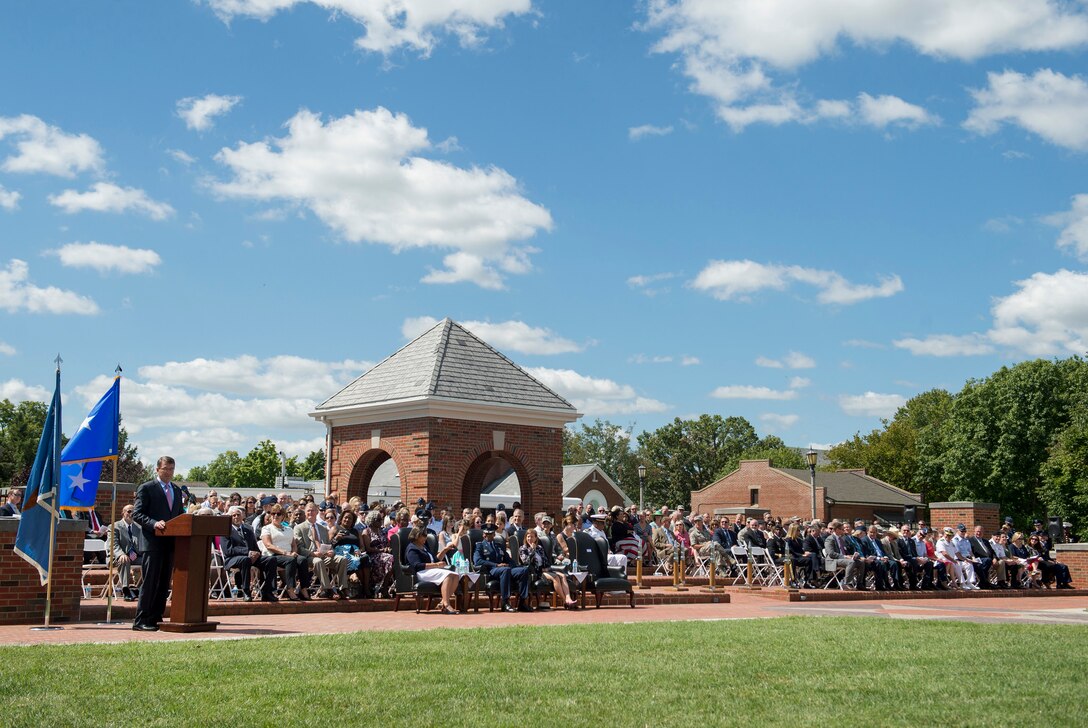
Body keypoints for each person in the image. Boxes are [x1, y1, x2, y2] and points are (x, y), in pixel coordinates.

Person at [130, 456, 185, 631]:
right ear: (157, 469)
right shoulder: (147, 488)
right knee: (150, 582)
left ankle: (155, 617)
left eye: (171, 469)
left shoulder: (176, 490)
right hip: (152, 542)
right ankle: (141, 620)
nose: (169, 472)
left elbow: (178, 515)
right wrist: (154, 523)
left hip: (169, 543)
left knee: (163, 582)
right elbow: (137, 514)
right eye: (166, 469)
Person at [222, 506, 278, 602]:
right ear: (230, 517)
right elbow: (228, 550)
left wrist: (256, 553)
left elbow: (255, 547)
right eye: (233, 515)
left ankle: (267, 591)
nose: (236, 517)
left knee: (271, 560)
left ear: (242, 516)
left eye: (238, 515)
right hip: (233, 559)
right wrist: (247, 552)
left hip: (250, 557)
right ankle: (246, 592)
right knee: (245, 560)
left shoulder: (248, 529)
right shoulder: (226, 531)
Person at [404, 526, 463, 615]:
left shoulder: (424, 547)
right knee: (448, 575)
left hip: (431, 570)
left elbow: (435, 559)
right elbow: (417, 566)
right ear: (417, 536)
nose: (425, 537)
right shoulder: (412, 548)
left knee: (455, 575)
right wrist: (436, 565)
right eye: (423, 535)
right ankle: (447, 605)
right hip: (421, 573)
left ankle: (443, 602)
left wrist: (445, 550)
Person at [473, 523, 530, 612]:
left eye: (491, 534)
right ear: (483, 535)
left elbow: (508, 559)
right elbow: (478, 561)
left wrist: (512, 565)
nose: (488, 536)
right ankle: (505, 603)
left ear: (494, 534)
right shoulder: (480, 546)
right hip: (492, 570)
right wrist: (496, 565)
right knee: (505, 570)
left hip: (504, 569)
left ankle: (522, 602)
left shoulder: (499, 545)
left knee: (523, 570)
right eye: (486, 534)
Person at [296, 503, 347, 599]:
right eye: (308, 510)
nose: (310, 512)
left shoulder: (322, 528)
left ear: (317, 512)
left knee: (342, 559)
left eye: (312, 510)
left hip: (324, 555)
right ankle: (328, 589)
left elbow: (328, 544)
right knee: (318, 561)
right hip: (310, 557)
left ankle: (343, 588)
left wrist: (331, 551)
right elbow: (299, 548)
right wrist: (312, 553)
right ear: (305, 513)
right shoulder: (299, 528)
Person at [260, 504, 311, 600]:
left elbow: (293, 545)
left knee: (303, 560)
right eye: (273, 513)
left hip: (289, 554)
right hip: (273, 555)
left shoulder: (289, 529)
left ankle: (303, 588)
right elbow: (268, 545)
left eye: (278, 514)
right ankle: (290, 589)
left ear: (283, 516)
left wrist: (294, 552)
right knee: (290, 560)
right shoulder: (266, 528)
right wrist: (285, 553)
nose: (275, 516)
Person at [519, 527, 577, 610]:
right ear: (525, 538)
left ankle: (568, 598)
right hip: (535, 572)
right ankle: (565, 601)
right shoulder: (523, 548)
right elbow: (526, 561)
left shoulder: (539, 548)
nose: (530, 538)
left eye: (532, 537)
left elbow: (545, 560)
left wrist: (547, 568)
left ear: (535, 538)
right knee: (556, 577)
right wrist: (532, 549)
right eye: (528, 536)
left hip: (545, 570)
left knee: (563, 576)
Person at [111, 504, 143, 601]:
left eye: (133, 511)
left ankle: (143, 589)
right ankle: (125, 589)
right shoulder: (115, 526)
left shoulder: (139, 528)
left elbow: (141, 544)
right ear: (123, 513)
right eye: (129, 511)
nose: (131, 514)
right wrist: (121, 554)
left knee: (149, 560)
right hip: (118, 558)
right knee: (125, 560)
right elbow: (113, 544)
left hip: (135, 557)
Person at [824, 520, 865, 590]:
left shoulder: (841, 539)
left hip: (843, 559)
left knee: (861, 563)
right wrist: (844, 557)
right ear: (837, 529)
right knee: (851, 562)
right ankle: (846, 583)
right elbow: (831, 553)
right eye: (842, 529)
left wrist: (852, 556)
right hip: (833, 560)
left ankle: (859, 583)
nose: (843, 531)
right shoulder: (829, 539)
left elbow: (845, 551)